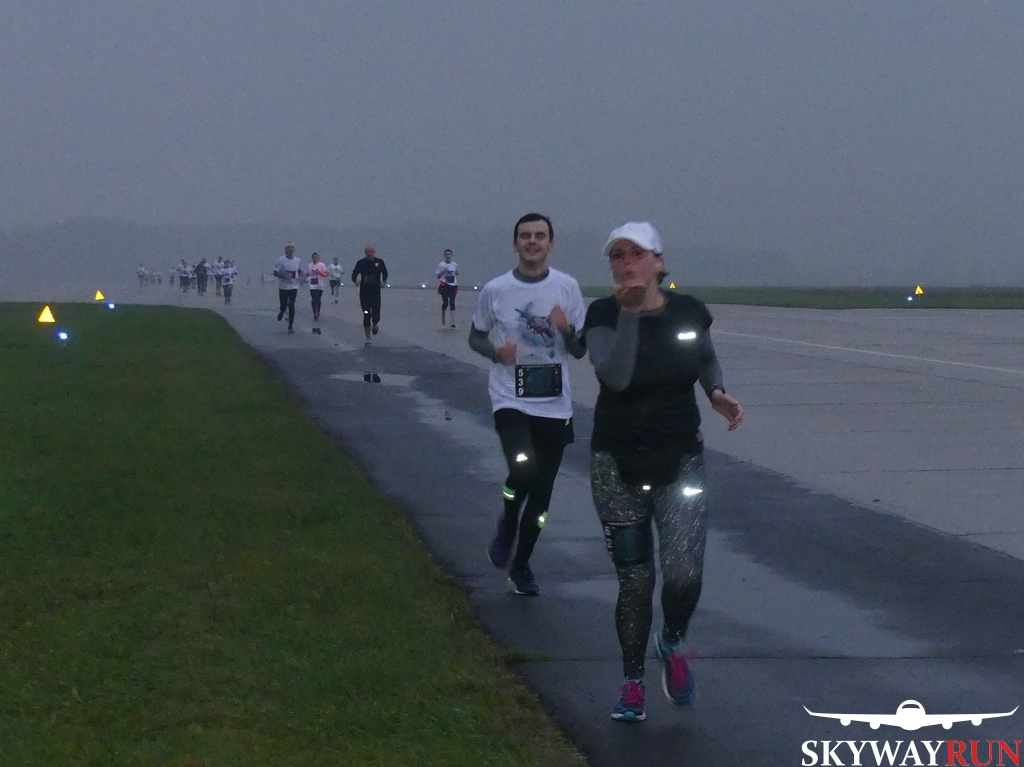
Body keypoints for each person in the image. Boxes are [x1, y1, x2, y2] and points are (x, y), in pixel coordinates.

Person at [582, 222, 743, 723]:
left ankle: (672, 640)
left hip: (680, 459)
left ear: (658, 261)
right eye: (617, 256)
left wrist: (716, 392)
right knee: (635, 581)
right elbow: (615, 376)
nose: (626, 263)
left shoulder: (689, 311)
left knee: (683, 574)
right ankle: (632, 683)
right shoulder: (603, 314)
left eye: (636, 253)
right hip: (616, 463)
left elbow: (705, 357)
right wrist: (630, 314)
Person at [469, 213, 586, 596]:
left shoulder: (567, 287)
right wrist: (495, 352)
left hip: (554, 404)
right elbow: (475, 336)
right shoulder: (496, 290)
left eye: (539, 236)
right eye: (525, 236)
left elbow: (579, 350)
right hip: (510, 399)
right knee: (522, 468)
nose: (532, 241)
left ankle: (521, 565)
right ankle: (507, 521)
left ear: (551, 244)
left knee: (542, 492)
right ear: (515, 243)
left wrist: (565, 328)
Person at [351, 244, 388, 346]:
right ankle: (367, 337)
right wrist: (355, 281)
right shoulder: (361, 263)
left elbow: (385, 273)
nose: (370, 253)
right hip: (364, 294)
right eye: (368, 251)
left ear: (374, 252)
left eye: (371, 252)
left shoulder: (379, 262)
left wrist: (383, 281)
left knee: (376, 315)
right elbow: (354, 274)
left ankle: (375, 324)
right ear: (365, 252)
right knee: (367, 314)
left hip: (375, 294)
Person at [273, 243, 303, 333]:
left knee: (291, 305)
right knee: (283, 305)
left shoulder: (297, 260)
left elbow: (299, 270)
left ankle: (290, 325)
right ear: (285, 250)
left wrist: (301, 276)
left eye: (292, 248)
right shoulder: (281, 260)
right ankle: (282, 312)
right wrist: (283, 275)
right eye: (289, 248)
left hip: (294, 286)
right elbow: (275, 272)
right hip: (283, 286)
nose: (290, 249)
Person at [435, 248, 459, 328]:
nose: (448, 256)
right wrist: (444, 271)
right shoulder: (441, 265)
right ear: (444, 256)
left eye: (449, 254)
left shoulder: (454, 264)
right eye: (446, 254)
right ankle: (443, 314)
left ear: (451, 255)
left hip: (453, 285)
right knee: (445, 302)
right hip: (444, 285)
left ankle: (453, 322)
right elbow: (438, 276)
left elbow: (456, 273)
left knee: (452, 302)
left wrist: (457, 272)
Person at [307, 252, 328, 320]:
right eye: (314, 257)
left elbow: (326, 274)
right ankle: (314, 312)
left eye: (316, 257)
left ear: (318, 258)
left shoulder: (321, 265)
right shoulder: (310, 266)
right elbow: (308, 274)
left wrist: (319, 271)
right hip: (312, 285)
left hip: (320, 285)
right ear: (312, 258)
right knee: (313, 299)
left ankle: (318, 311)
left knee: (318, 299)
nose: (315, 258)